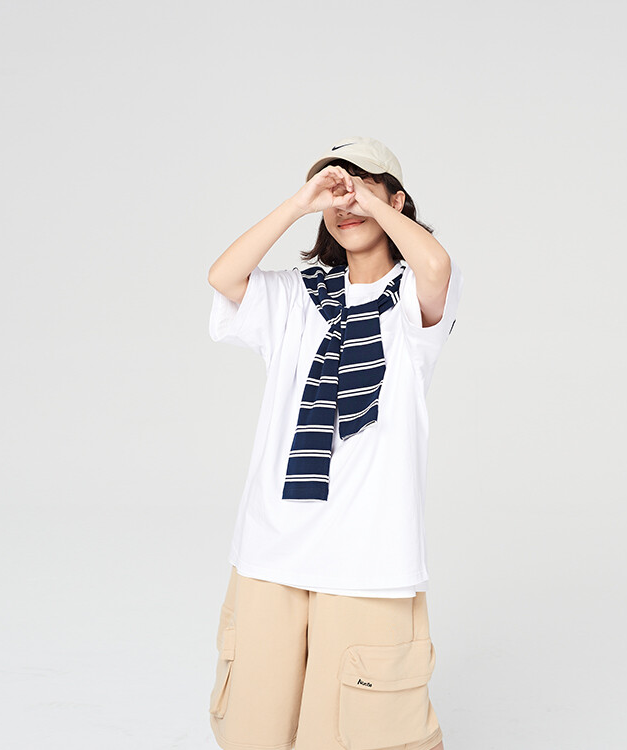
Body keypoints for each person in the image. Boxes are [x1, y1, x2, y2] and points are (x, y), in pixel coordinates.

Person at [206, 135, 463, 750]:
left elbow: (437, 268)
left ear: (396, 200)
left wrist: (366, 203)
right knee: (254, 727)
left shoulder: (410, 299)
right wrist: (302, 202)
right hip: (273, 542)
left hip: (367, 551)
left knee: (353, 733)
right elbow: (224, 276)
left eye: (361, 185)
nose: (344, 202)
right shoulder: (296, 294)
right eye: (333, 190)